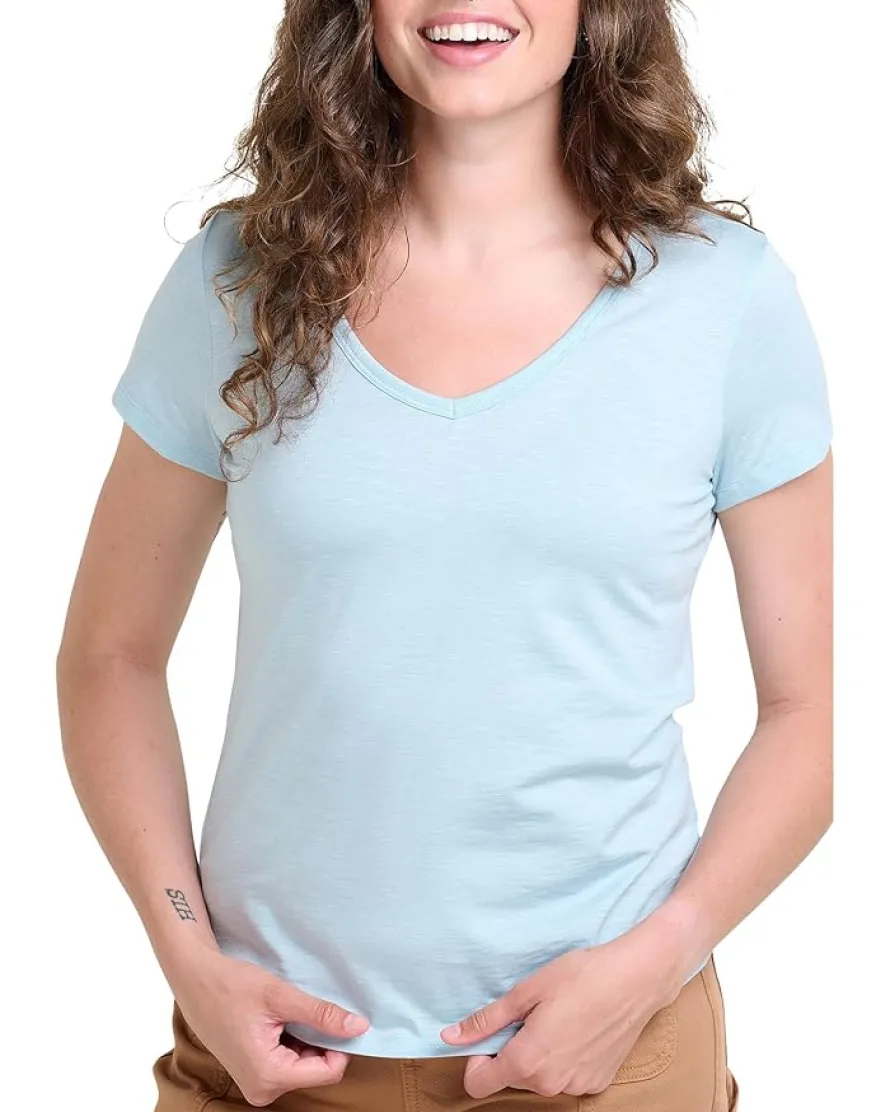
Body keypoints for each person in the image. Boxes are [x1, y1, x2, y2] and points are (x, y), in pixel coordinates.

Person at [56, 2, 833, 1110]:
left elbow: (813, 713)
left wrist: (656, 960)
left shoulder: (724, 295)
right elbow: (110, 655)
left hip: (603, 1052)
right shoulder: (240, 277)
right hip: (269, 1052)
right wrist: (185, 949)